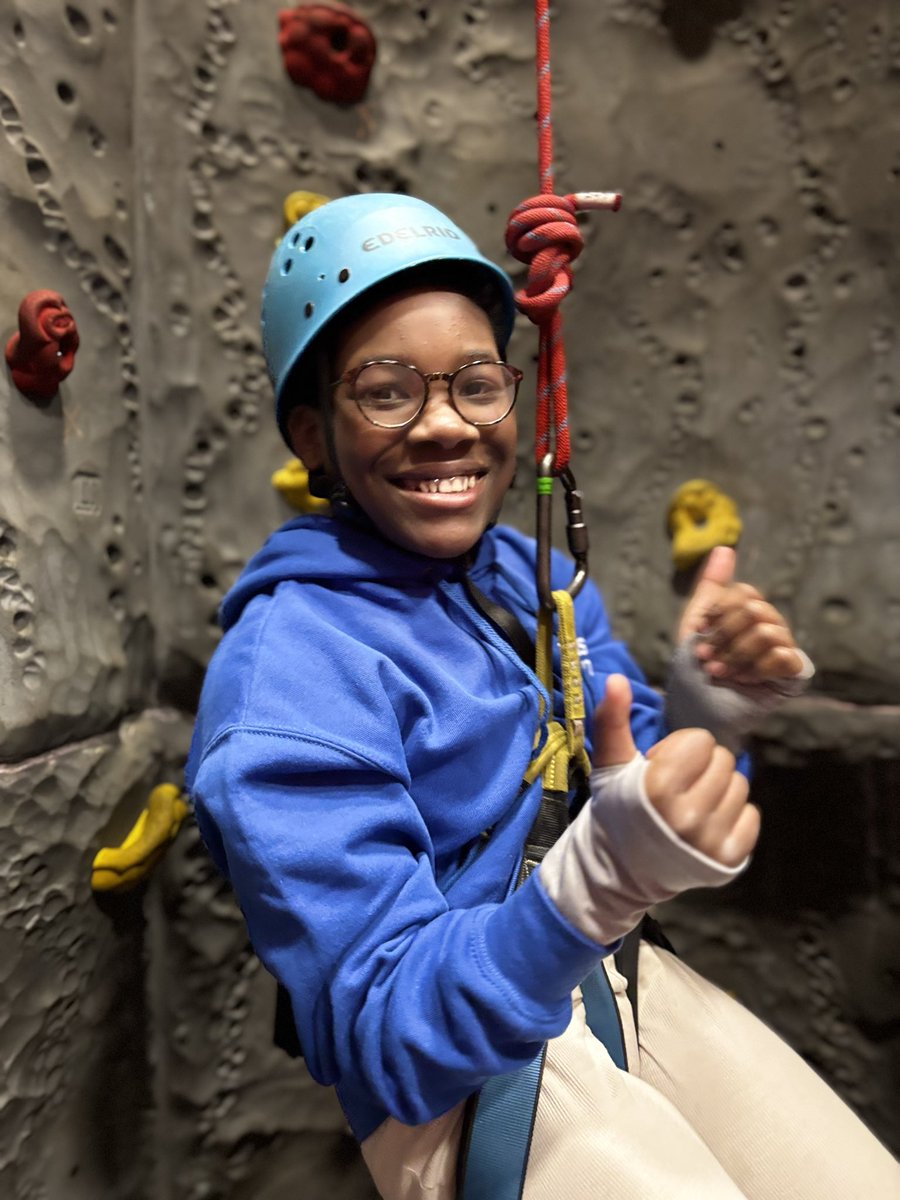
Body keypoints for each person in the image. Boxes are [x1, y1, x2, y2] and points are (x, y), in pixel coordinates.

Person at [186, 193, 898, 1199]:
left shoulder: (531, 580)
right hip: (459, 1079)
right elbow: (397, 1039)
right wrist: (596, 880)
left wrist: (706, 719)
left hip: (603, 974)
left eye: (478, 383)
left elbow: (640, 801)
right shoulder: (288, 679)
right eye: (388, 391)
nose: (445, 425)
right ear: (312, 434)